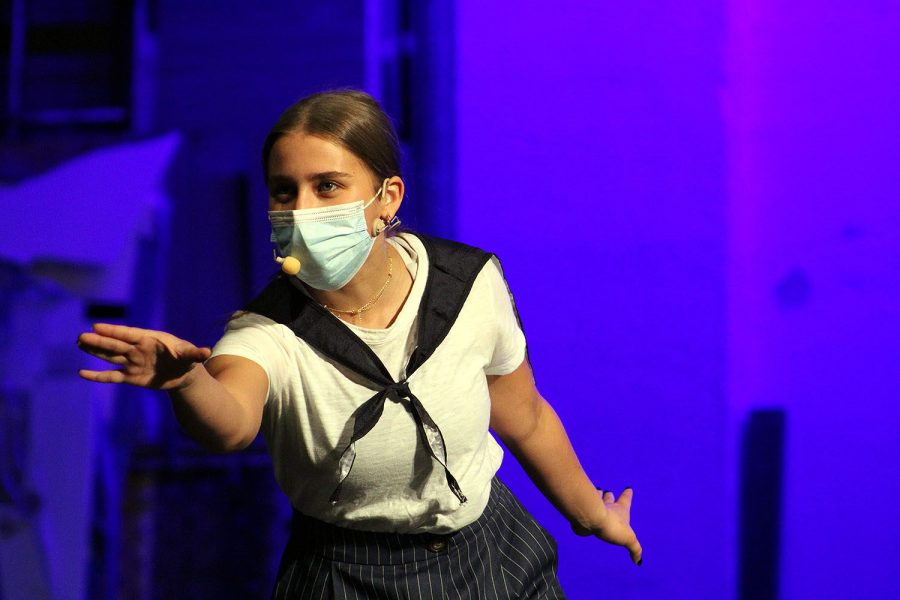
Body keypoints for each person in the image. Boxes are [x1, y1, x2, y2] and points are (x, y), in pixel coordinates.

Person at [77, 90, 641, 599]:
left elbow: (526, 418)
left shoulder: (466, 282)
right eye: (283, 190)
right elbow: (230, 423)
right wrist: (188, 380)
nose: (301, 209)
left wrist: (592, 514)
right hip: (349, 576)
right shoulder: (267, 331)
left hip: (491, 553)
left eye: (327, 186)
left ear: (387, 197)